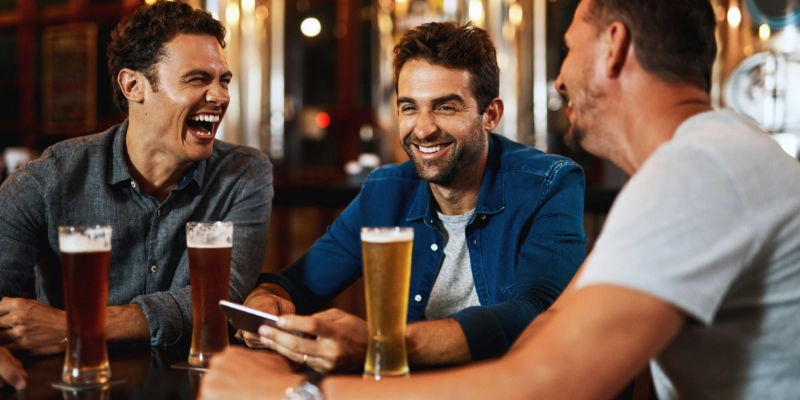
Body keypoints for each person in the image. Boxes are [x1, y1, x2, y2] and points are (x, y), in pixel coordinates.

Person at [199, 0, 800, 399]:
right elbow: (555, 323)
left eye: (567, 47)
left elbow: (550, 377)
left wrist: (298, 393)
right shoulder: (697, 162)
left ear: (614, 47)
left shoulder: (701, 171)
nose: (559, 80)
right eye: (410, 106)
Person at [241, 21, 587, 373]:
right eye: (409, 108)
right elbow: (298, 284)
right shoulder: (386, 191)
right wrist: (266, 302)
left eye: (445, 107)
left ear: (490, 115)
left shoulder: (549, 183)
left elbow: (536, 312)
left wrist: (383, 345)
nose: (423, 129)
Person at [0, 0, 272, 355]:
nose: (220, 96)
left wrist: (80, 326)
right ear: (133, 86)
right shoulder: (46, 181)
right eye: (198, 80)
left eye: (223, 81)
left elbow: (223, 299)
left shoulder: (244, 173)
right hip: (77, 384)